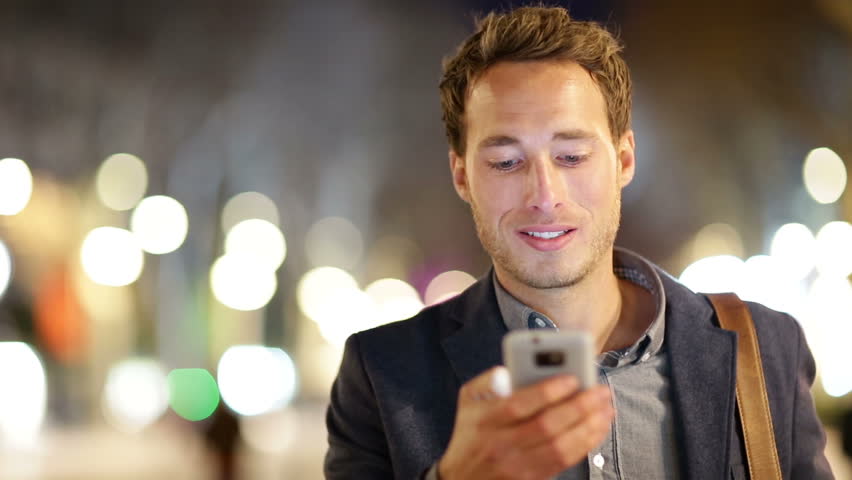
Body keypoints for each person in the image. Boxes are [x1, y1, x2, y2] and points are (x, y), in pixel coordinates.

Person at [324, 6, 834, 479]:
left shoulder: (765, 349)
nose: (544, 195)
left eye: (571, 156)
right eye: (506, 162)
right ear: (461, 176)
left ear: (624, 160)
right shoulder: (383, 374)